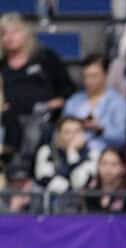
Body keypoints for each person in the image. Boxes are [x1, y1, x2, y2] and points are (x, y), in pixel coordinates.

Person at [1, 14, 75, 158]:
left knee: (33, 130)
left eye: (14, 32)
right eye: (4, 33)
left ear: (26, 34)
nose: (9, 37)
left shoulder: (45, 57)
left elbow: (67, 88)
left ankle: (23, 169)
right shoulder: (1, 64)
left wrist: (57, 102)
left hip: (42, 114)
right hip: (9, 117)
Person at [63, 55, 126, 154]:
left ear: (105, 75)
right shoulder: (73, 101)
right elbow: (61, 130)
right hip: (72, 153)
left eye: (94, 76)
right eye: (86, 76)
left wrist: (100, 130)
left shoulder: (118, 102)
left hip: (103, 157)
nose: (89, 81)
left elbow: (121, 139)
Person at [33, 116, 96, 194]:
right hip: (53, 201)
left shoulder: (92, 154)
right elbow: (47, 181)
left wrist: (72, 152)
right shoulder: (46, 151)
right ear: (58, 135)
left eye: (77, 131)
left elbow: (80, 183)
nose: (73, 136)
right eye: (67, 132)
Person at [84, 147, 126, 213]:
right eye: (104, 163)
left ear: (123, 168)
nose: (108, 169)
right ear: (98, 166)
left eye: (114, 164)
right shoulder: (89, 188)